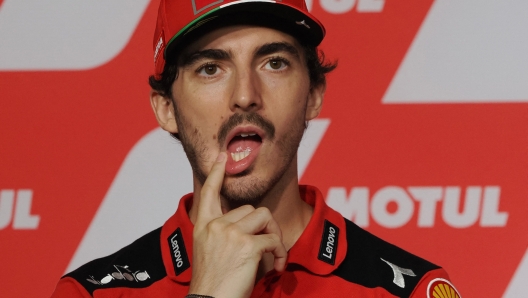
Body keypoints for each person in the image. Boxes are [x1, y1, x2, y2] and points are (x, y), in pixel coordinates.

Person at [51, 0, 462, 297]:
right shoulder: (92, 293)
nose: (245, 95)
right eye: (211, 68)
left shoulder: (411, 291)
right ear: (166, 109)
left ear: (314, 94)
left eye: (274, 63)